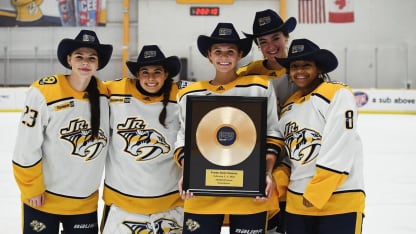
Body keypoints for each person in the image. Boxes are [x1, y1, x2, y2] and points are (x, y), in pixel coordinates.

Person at [174, 22, 284, 234]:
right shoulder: (189, 94)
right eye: (218, 51)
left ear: (240, 54)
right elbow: (184, 138)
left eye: (230, 52)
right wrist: (188, 174)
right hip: (201, 194)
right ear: (209, 55)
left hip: (250, 194)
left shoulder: (259, 86)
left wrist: (266, 173)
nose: (224, 57)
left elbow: (272, 132)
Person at [12, 29, 113, 233]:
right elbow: (26, 146)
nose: (85, 62)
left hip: (84, 202)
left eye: (91, 58)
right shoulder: (44, 91)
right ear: (69, 59)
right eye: (79, 56)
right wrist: (31, 187)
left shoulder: (105, 93)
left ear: (98, 63)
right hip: (43, 199)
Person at [275, 38, 366, 234]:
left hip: (340, 199)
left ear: (319, 68)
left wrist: (318, 190)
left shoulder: (336, 93)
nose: (299, 71)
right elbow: (288, 156)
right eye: (294, 66)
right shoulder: (289, 105)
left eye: (306, 65)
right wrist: (276, 187)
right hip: (296, 204)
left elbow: (340, 143)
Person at [101, 45, 184, 233]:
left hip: (170, 204)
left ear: (166, 74)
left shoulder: (181, 96)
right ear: (137, 75)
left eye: (157, 72)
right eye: (145, 72)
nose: (151, 78)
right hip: (122, 205)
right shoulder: (114, 91)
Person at [239, 9, 298, 233]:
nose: (271, 46)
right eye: (263, 41)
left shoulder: (302, 68)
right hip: (265, 158)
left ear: (286, 37)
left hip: (297, 157)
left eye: (276, 38)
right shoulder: (248, 74)